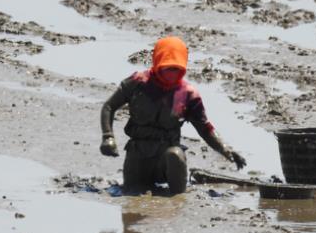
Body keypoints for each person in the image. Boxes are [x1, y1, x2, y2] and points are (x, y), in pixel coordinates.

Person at [100, 36, 246, 194]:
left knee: (175, 155)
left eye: (176, 69)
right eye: (167, 68)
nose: (171, 74)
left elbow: (205, 128)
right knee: (131, 198)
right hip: (138, 153)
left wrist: (226, 150)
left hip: (167, 157)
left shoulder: (187, 94)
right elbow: (109, 106)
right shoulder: (137, 83)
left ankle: (178, 197)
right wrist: (108, 136)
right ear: (157, 64)